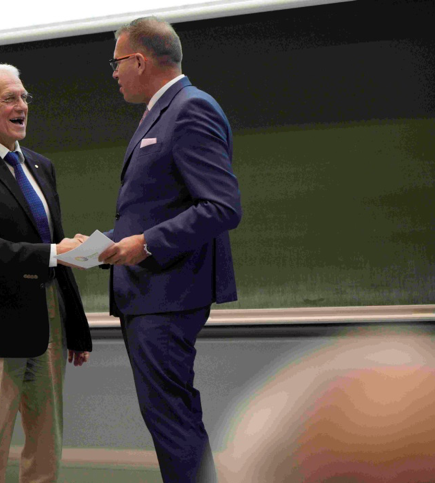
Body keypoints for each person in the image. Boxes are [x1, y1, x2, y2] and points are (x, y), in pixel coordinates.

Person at [97, 17, 242, 482]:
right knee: (170, 421)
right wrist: (114, 244)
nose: (114, 73)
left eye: (117, 63)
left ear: (139, 60)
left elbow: (222, 206)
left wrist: (148, 243)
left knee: (173, 423)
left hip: (168, 295)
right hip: (149, 295)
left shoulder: (190, 108)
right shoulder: (163, 111)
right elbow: (157, 203)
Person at [0, 63, 92, 483]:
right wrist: (53, 253)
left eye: (24, 97)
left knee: (47, 446)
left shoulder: (41, 167)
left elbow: (56, 250)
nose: (21, 105)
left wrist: (76, 328)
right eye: (9, 98)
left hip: (49, 322)